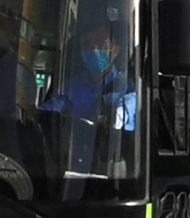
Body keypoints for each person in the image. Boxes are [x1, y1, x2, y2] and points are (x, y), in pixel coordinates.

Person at [42, 18, 137, 166]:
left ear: (115, 50)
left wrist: (115, 114)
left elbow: (130, 110)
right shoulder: (71, 87)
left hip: (109, 164)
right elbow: (49, 111)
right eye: (87, 44)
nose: (94, 50)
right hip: (71, 161)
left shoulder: (126, 86)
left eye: (101, 43)